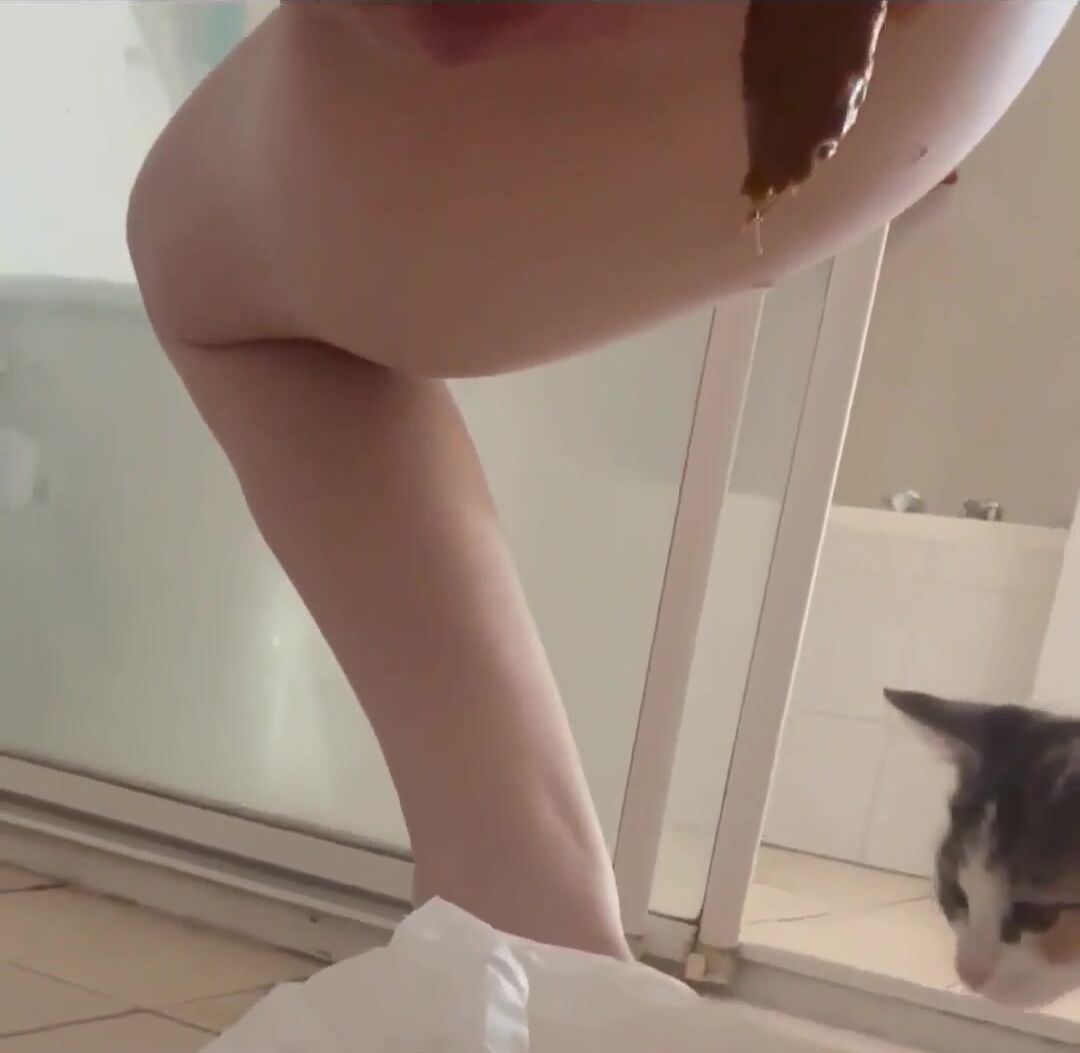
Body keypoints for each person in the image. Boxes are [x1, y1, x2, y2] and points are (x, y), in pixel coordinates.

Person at [127, 0, 1072, 958]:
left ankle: (526, 913)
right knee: (200, 251)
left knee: (191, 246)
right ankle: (530, 919)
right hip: (966, 55)